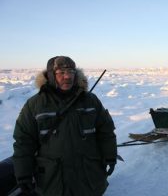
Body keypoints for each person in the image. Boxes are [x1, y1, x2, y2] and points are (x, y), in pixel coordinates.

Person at [12, 56, 117, 196]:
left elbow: (106, 130)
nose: (67, 76)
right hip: (53, 179)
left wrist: (110, 155)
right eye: (61, 72)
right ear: (50, 75)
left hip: (88, 175)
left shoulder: (90, 101)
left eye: (71, 72)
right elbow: (23, 141)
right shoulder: (35, 105)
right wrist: (23, 174)